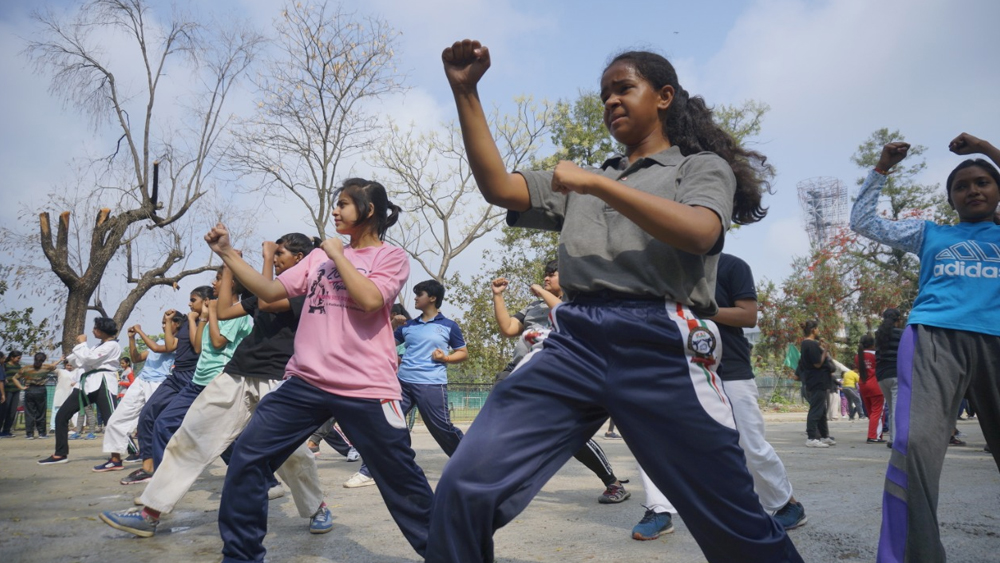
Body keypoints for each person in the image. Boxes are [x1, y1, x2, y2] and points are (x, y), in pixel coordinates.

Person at [429, 40, 801, 562]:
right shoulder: (584, 180)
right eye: (604, 94)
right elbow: (499, 187)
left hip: (660, 341)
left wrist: (599, 187)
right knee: (465, 484)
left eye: (624, 88)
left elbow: (699, 231)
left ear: (665, 96)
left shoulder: (696, 167)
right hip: (573, 341)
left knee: (733, 523)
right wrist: (465, 91)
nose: (611, 102)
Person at [205, 178, 434, 563]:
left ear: (369, 210)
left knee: (401, 479)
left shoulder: (390, 258)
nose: (335, 211)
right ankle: (241, 556)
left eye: (343, 204)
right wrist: (227, 253)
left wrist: (339, 256)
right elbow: (270, 292)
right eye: (336, 204)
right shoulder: (318, 259)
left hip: (365, 386)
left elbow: (368, 300)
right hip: (306, 381)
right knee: (247, 455)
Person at [100, 234, 331, 538]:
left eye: (280, 253)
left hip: (279, 377)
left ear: (300, 258)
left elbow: (267, 300)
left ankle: (317, 508)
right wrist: (229, 266)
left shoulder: (310, 292)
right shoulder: (267, 287)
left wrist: (262, 259)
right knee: (192, 436)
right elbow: (221, 313)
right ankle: (150, 511)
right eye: (273, 254)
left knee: (292, 453)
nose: (275, 258)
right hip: (238, 372)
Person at [850, 133, 1000, 563]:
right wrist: (881, 168)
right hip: (934, 340)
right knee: (914, 447)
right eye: (962, 186)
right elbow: (865, 223)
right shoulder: (929, 233)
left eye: (983, 182)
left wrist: (987, 147)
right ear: (951, 200)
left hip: (996, 342)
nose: (973, 189)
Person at [631, 253, 806, 541]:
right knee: (654, 440)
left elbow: (748, 315)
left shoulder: (731, 266)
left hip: (730, 368)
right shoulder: (662, 266)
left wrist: (700, 313)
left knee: (749, 442)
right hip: (674, 367)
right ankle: (659, 510)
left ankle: (787, 504)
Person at [491, 259, 631, 504]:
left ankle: (613, 483)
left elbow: (565, 316)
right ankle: (503, 482)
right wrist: (498, 296)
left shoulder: (576, 303)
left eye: (552, 275)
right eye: (545, 275)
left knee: (571, 435)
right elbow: (508, 328)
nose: (546, 278)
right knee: (502, 426)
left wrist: (544, 292)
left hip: (557, 374)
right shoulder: (533, 305)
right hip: (520, 371)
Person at [345, 278, 468, 488]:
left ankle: (470, 463)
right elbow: (383, 344)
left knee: (442, 429)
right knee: (385, 424)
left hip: (431, 385)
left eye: (419, 294)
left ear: (432, 298)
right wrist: (393, 325)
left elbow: (463, 353)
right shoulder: (408, 326)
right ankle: (369, 471)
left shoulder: (448, 326)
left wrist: (445, 358)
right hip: (402, 384)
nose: (415, 298)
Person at [121, 285, 211, 485]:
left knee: (207, 427)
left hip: (194, 377)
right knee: (147, 415)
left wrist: (197, 318)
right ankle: (149, 467)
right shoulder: (187, 323)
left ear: (206, 302)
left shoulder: (207, 320)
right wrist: (170, 321)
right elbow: (170, 346)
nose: (189, 303)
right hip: (176, 375)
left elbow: (198, 347)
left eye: (193, 299)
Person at [93, 311, 183, 471]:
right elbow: (136, 358)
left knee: (153, 424)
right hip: (142, 381)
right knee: (116, 419)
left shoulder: (178, 342)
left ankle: (159, 462)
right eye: (163, 322)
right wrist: (131, 338)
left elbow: (157, 348)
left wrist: (141, 332)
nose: (164, 325)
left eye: (167, 322)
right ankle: (115, 459)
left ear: (177, 324)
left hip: (159, 384)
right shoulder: (161, 341)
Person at [39, 317, 122, 465]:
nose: (92, 330)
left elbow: (89, 359)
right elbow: (80, 361)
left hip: (103, 383)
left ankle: (128, 453)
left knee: (112, 420)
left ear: (103, 330)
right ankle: (60, 453)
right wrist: (78, 351)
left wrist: (82, 344)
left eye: (95, 327)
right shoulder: (97, 346)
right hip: (87, 384)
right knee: (62, 415)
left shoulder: (112, 345)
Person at [795, 320, 836, 448]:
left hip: (818, 380)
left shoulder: (809, 344)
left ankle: (824, 436)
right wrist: (825, 350)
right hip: (817, 380)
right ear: (813, 330)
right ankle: (811, 437)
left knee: (822, 410)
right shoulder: (810, 344)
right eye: (818, 329)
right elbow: (817, 363)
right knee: (816, 409)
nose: (819, 332)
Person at [12, 353, 59, 439]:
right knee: (41, 412)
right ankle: (42, 433)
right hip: (41, 390)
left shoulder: (25, 369)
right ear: (43, 360)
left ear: (34, 358)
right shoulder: (45, 368)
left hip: (29, 390)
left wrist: (21, 387)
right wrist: (59, 360)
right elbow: (53, 366)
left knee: (29, 412)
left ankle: (29, 434)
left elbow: (14, 378)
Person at [875, 308, 903, 449]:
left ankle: (892, 438)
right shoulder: (901, 333)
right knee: (896, 409)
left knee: (891, 407)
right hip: (896, 373)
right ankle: (895, 439)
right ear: (898, 319)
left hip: (881, 375)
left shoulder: (878, 334)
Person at [856, 334, 885, 443]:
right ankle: (873, 436)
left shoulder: (858, 356)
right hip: (876, 385)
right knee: (878, 412)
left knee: (871, 412)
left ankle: (874, 434)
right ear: (873, 344)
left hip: (863, 385)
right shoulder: (875, 354)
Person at [51, 359, 80, 433]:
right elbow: (51, 366)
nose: (69, 367)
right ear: (65, 365)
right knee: (56, 410)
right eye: (68, 365)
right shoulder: (61, 371)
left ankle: (73, 427)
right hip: (61, 393)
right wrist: (60, 359)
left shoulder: (76, 372)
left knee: (72, 411)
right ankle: (53, 427)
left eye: (71, 365)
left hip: (71, 394)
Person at [0, 350, 23, 437]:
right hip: (7, 391)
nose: (19, 360)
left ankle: (7, 430)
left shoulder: (18, 366)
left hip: (16, 391)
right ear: (12, 357)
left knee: (12, 411)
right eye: (18, 358)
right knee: (4, 411)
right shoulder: (4, 366)